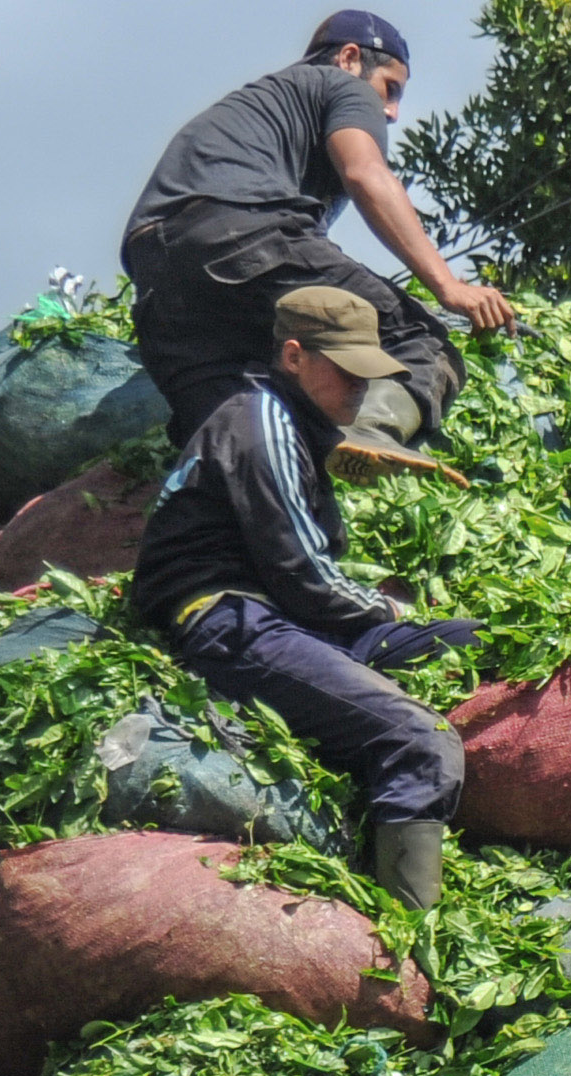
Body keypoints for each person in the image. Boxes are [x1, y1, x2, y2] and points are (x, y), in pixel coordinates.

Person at [122, 287, 479, 909]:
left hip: (296, 624)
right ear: (294, 356)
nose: (361, 389)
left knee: (474, 639)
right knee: (420, 742)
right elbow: (303, 574)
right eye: (347, 373)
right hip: (232, 624)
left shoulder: (299, 429)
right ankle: (409, 940)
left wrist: (407, 619)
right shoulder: (261, 421)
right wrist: (390, 610)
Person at [119, 10, 515, 472]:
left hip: (155, 279)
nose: (392, 111)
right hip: (240, 231)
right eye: (391, 88)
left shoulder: (261, 108)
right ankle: (369, 435)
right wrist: (448, 287)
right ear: (349, 57)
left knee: (231, 430)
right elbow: (366, 174)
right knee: (416, 338)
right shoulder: (340, 86)